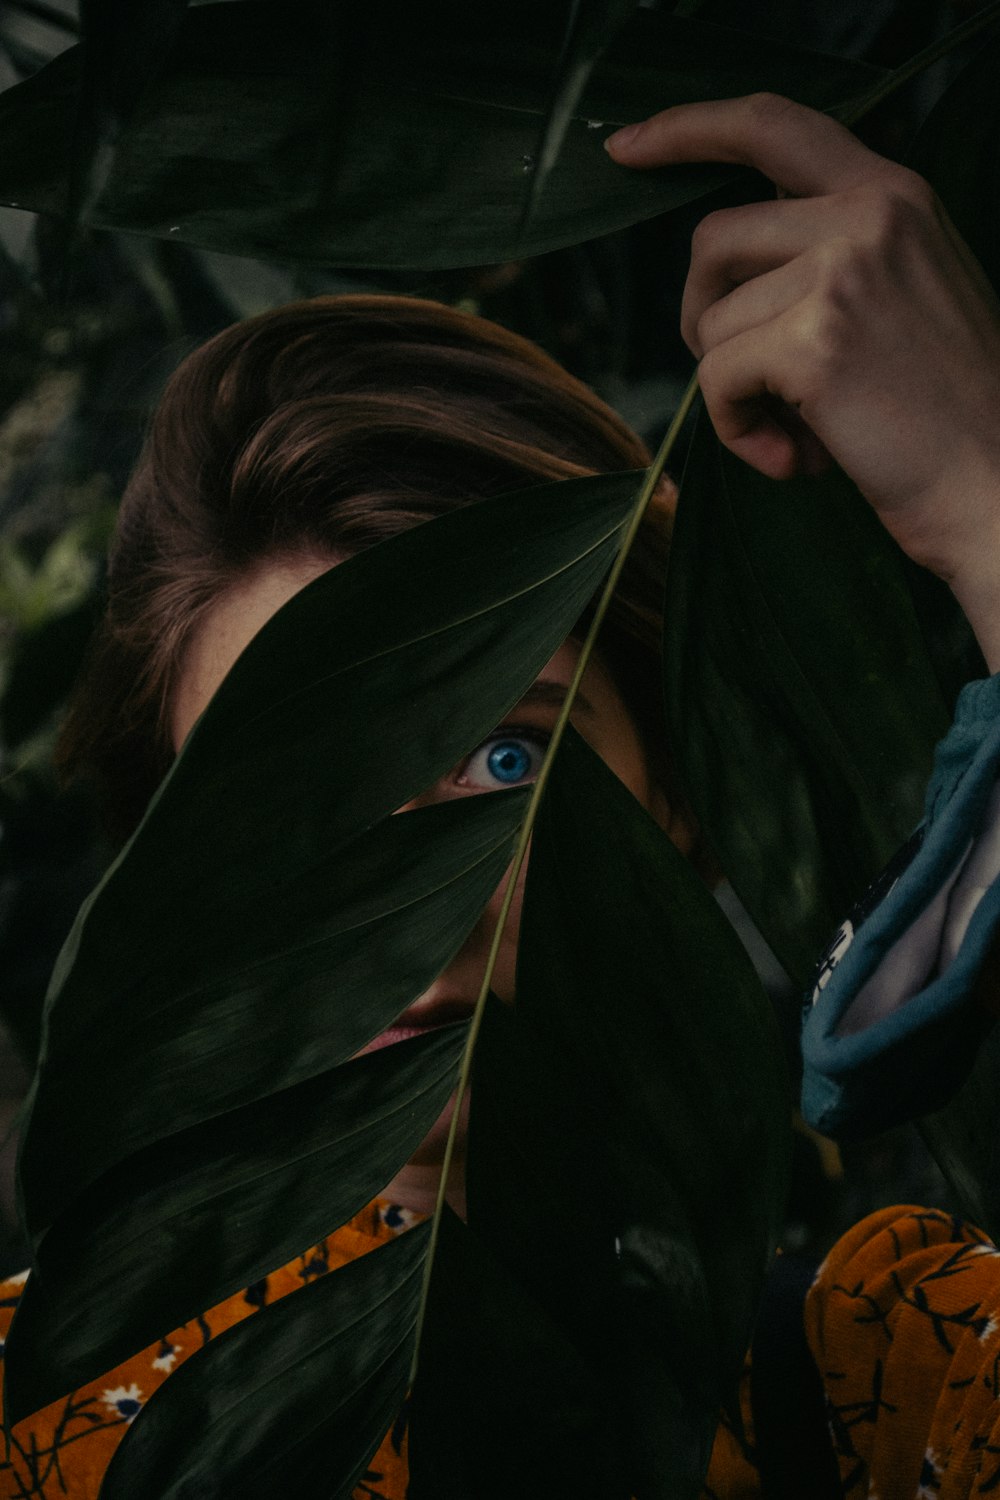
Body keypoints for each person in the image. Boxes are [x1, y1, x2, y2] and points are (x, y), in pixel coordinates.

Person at [3, 90, 1000, 1497]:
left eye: (503, 755)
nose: (406, 912)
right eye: (291, 805)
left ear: (674, 797)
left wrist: (983, 499)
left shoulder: (887, 1379)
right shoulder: (37, 1424)